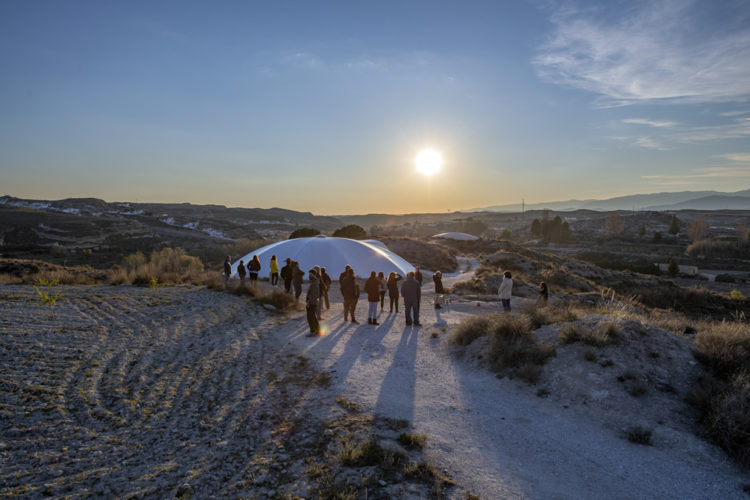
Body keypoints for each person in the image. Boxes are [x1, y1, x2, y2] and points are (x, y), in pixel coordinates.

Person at [305, 269, 321, 337]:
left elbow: (314, 295)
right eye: (309, 275)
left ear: (314, 275)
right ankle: (317, 330)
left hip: (312, 302)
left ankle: (313, 331)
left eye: (311, 275)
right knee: (313, 316)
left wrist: (309, 302)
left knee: (310, 317)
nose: (309, 276)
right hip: (313, 302)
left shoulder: (314, 283)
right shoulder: (314, 282)